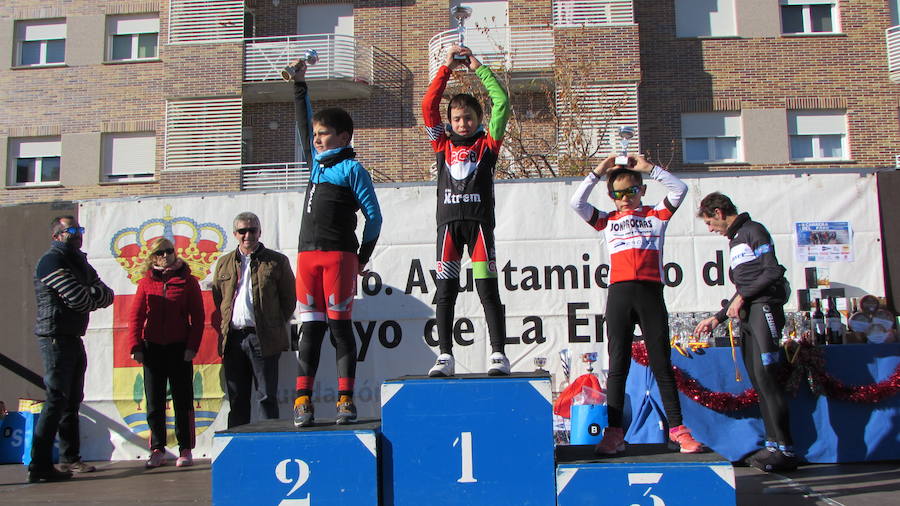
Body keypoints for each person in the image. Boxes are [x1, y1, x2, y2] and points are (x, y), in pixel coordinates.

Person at [570, 154, 703, 455]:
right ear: (611, 197)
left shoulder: (656, 216)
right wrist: (597, 171)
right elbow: (576, 203)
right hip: (619, 295)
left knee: (661, 365)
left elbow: (679, 190)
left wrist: (650, 169)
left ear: (641, 191)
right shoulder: (606, 221)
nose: (625, 198)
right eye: (618, 193)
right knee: (618, 367)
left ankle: (679, 431)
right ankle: (614, 433)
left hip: (650, 293)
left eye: (631, 191)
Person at [288, 58, 382, 426]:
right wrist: (299, 84)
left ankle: (346, 400)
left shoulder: (352, 168)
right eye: (315, 135)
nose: (316, 139)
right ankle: (302, 402)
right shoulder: (315, 164)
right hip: (306, 258)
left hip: (340, 257)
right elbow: (302, 122)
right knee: (309, 331)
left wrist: (362, 257)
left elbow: (374, 217)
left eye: (323, 134)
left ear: (344, 137)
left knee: (340, 329)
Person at [421, 45, 511, 377]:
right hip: (448, 228)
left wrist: (478, 66)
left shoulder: (488, 144)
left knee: (487, 290)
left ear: (478, 120)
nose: (462, 123)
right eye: (457, 119)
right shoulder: (441, 144)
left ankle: (498, 353)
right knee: (446, 292)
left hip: (478, 228)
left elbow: (501, 102)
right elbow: (428, 106)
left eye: (468, 118)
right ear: (449, 122)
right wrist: (445, 67)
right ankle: (444, 355)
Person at [693, 192, 796, 472]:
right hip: (749, 313)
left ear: (718, 212)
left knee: (768, 378)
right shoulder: (735, 240)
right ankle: (773, 445)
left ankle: (786, 451)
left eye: (709, 223)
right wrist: (716, 318)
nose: (710, 229)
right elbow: (745, 286)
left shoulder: (753, 230)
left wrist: (742, 297)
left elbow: (773, 271)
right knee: (757, 380)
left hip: (764, 309)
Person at [29, 216, 114, 482]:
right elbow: (79, 300)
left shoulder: (79, 262)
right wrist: (89, 293)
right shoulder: (51, 261)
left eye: (80, 230)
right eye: (71, 231)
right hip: (54, 337)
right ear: (56, 236)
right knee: (55, 399)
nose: (77, 235)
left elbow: (107, 294)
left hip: (73, 336)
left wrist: (88, 292)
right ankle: (39, 465)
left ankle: (69, 459)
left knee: (72, 400)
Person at [211, 212, 296, 428]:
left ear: (260, 232)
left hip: (263, 338)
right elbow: (219, 298)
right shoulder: (223, 263)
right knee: (237, 398)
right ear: (235, 234)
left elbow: (289, 300)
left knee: (266, 397)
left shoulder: (277, 261)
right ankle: (237, 447)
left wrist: (273, 324)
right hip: (233, 339)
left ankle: (269, 445)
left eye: (252, 230)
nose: (248, 235)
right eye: (242, 231)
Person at [127, 237, 205, 468]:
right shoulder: (145, 283)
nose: (165, 255)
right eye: (160, 253)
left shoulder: (188, 281)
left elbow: (198, 318)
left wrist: (192, 346)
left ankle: (185, 448)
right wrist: (135, 346)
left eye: (169, 251)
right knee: (154, 401)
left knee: (183, 400)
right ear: (153, 257)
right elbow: (136, 317)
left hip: (179, 347)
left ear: (175, 252)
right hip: (152, 348)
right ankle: (157, 448)